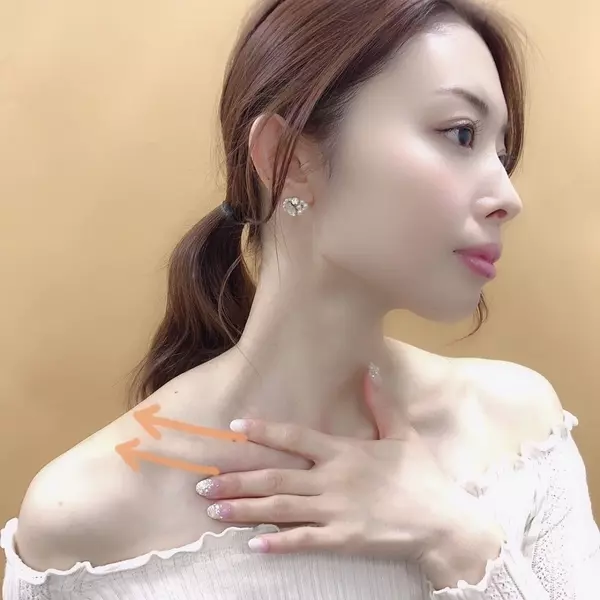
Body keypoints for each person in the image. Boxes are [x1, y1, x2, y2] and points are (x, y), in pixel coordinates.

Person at [2, 0, 599, 597]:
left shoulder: (517, 428)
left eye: (502, 153)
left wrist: (458, 543)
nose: (507, 197)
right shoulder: (84, 518)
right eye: (461, 134)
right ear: (289, 161)